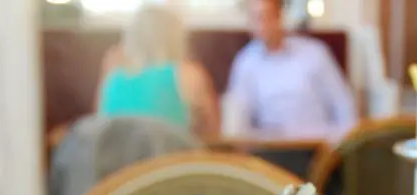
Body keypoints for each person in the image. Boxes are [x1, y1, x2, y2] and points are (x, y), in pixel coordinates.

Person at [226, 0, 357, 137]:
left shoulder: (315, 54)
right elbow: (238, 120)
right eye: (255, 18)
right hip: (271, 149)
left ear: (280, 16)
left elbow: (343, 106)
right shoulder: (246, 62)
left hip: (318, 146)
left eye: (266, 16)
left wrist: (340, 147)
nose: (262, 24)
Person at [95, 4, 219, 139]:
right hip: (172, 158)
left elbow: (99, 123)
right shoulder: (189, 74)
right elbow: (213, 133)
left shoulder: (112, 76)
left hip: (118, 160)